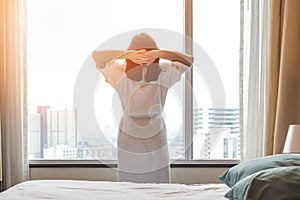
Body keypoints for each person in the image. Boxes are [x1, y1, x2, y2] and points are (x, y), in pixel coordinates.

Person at [93, 33, 193, 183]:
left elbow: (189, 60)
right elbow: (96, 56)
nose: (143, 57)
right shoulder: (120, 72)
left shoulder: (164, 71)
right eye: (140, 53)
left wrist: (157, 53)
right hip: (129, 131)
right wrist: (128, 55)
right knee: (130, 177)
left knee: (158, 176)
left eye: (147, 53)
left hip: (155, 130)